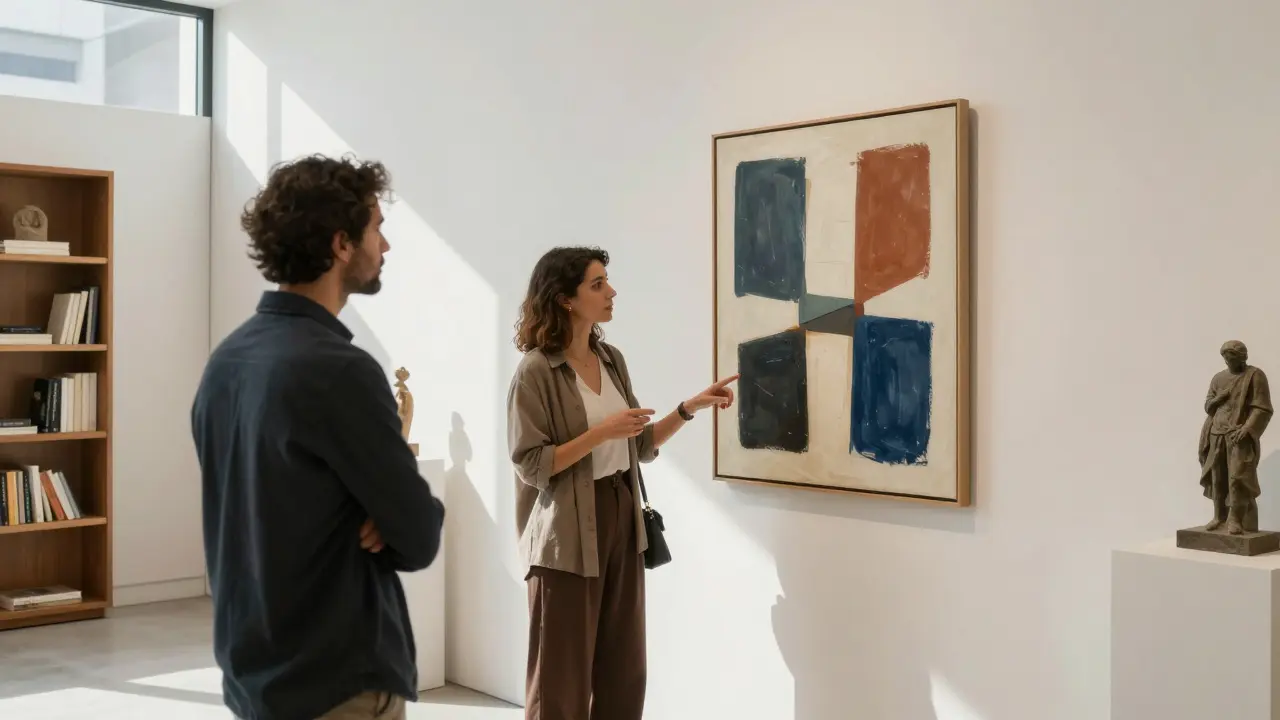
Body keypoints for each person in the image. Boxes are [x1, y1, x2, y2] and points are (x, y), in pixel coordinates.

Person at [191, 154, 445, 720]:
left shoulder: (226, 362)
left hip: (254, 676)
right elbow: (419, 535)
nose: (386, 246)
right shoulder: (341, 371)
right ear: (340, 244)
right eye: (377, 229)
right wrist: (392, 505)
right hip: (336, 685)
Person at [506, 246, 738, 719]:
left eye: (606, 280)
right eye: (597, 283)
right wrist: (598, 434)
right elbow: (531, 464)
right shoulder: (535, 371)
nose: (611, 291)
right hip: (566, 535)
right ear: (565, 299)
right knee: (560, 678)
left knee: (623, 668)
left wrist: (689, 408)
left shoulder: (611, 359)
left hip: (622, 516)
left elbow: (640, 446)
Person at [1199, 339, 1273, 534]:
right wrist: (1218, 398)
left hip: (1238, 434)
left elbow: (1262, 407)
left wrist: (1247, 429)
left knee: (1237, 476)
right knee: (1218, 476)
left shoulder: (1254, 376)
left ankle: (1235, 519)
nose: (1229, 363)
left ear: (1243, 357)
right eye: (1226, 359)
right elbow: (1208, 406)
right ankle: (1218, 516)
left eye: (1233, 359)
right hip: (1216, 432)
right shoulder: (1218, 378)